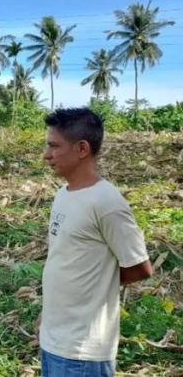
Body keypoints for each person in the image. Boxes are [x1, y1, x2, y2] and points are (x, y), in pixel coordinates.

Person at [39, 108, 152, 377]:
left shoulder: (107, 203)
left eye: (54, 146)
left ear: (81, 149)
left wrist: (98, 285)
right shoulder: (62, 196)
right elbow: (65, 262)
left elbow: (140, 267)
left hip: (82, 354)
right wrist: (48, 318)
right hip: (54, 341)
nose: (46, 155)